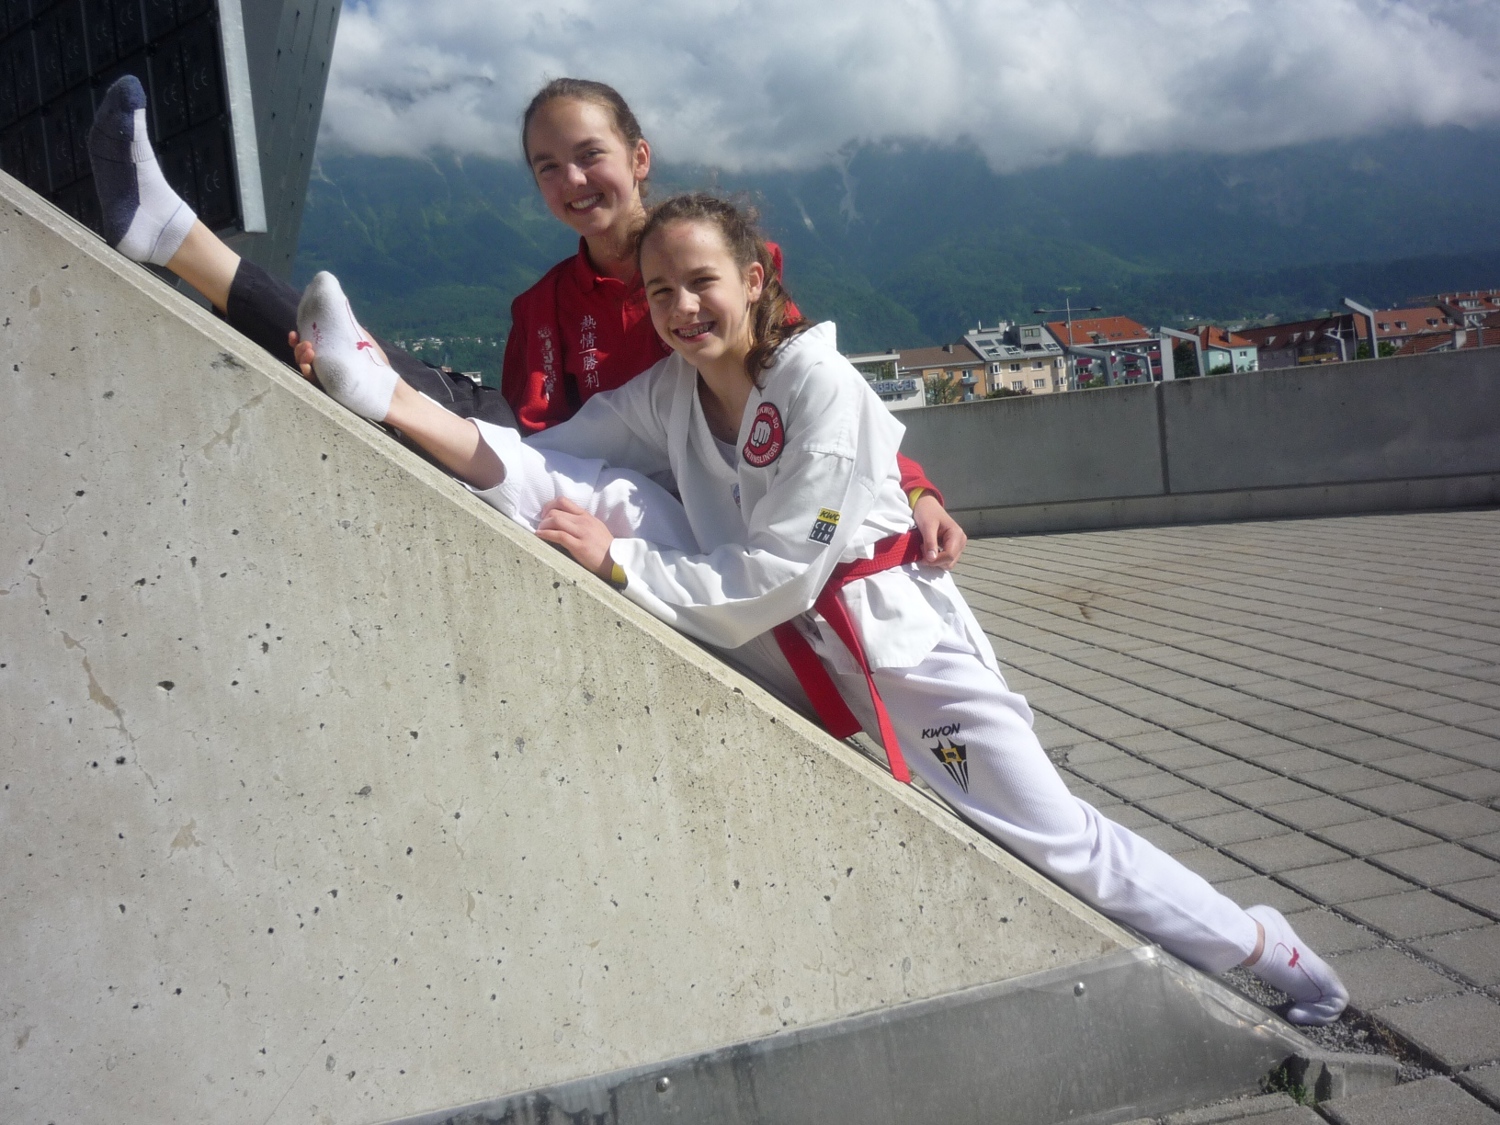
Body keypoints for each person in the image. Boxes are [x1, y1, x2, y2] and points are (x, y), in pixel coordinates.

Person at [290, 193, 1349, 1026]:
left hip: (893, 653)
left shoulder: (818, 383)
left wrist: (624, 568)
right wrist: (416, 409)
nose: (680, 308)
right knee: (590, 492)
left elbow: (785, 567)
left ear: (754, 281)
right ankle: (382, 390)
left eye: (700, 282)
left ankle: (1273, 951)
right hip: (778, 641)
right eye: (659, 292)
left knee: (1061, 841)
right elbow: (550, 453)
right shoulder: (669, 393)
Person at [84, 73, 968, 569]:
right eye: (548, 167)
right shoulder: (541, 308)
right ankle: (182, 242)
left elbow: (815, 392)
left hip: (701, 515)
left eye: (589, 155)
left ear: (639, 157)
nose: (572, 181)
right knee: (407, 386)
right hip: (584, 483)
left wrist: (917, 494)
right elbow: (530, 440)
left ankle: (174, 237)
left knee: (397, 383)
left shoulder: (722, 273)